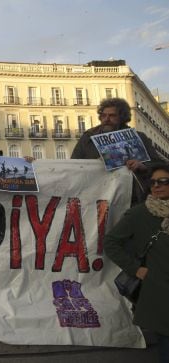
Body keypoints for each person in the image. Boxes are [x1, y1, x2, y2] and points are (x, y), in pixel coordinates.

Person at [104, 163, 169, 363]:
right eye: (153, 182)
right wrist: (136, 269)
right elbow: (111, 242)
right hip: (160, 292)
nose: (156, 186)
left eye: (163, 181)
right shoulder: (139, 214)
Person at [71, 98, 162, 203]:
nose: (106, 119)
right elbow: (74, 163)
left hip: (131, 196)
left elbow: (159, 164)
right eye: (104, 115)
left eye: (112, 116)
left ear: (122, 117)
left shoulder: (139, 137)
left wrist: (142, 166)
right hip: (97, 195)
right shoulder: (88, 137)